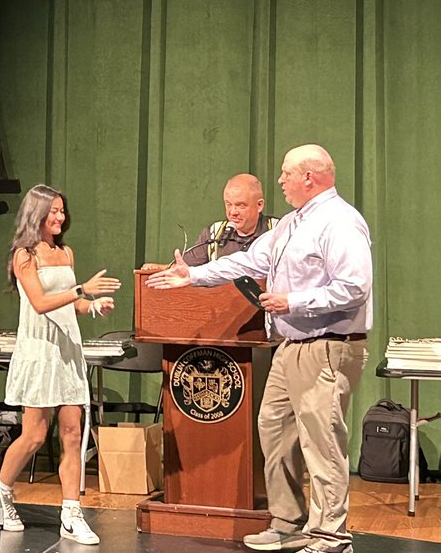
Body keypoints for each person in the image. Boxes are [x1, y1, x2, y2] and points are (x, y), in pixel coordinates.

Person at [146, 145, 372, 553]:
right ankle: (288, 522)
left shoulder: (340, 221)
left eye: (287, 174)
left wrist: (293, 301)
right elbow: (248, 262)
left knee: (321, 442)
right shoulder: (289, 224)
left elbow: (355, 286)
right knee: (274, 429)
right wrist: (193, 275)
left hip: (326, 345)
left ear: (310, 177)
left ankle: (332, 536)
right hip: (290, 345)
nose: (281, 180)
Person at [0, 184, 121, 546]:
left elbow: (69, 305)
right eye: (53, 212)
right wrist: (82, 290)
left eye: (62, 211)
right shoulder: (24, 255)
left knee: (72, 433)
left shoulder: (66, 252)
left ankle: (71, 512)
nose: (60, 217)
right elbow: (40, 302)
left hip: (67, 352)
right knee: (34, 435)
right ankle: (2, 492)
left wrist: (92, 306)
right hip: (39, 352)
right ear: (36, 213)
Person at [184, 173, 278, 266]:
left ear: (259, 205)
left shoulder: (278, 231)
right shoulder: (214, 234)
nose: (233, 212)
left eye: (241, 205)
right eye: (228, 204)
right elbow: (182, 271)